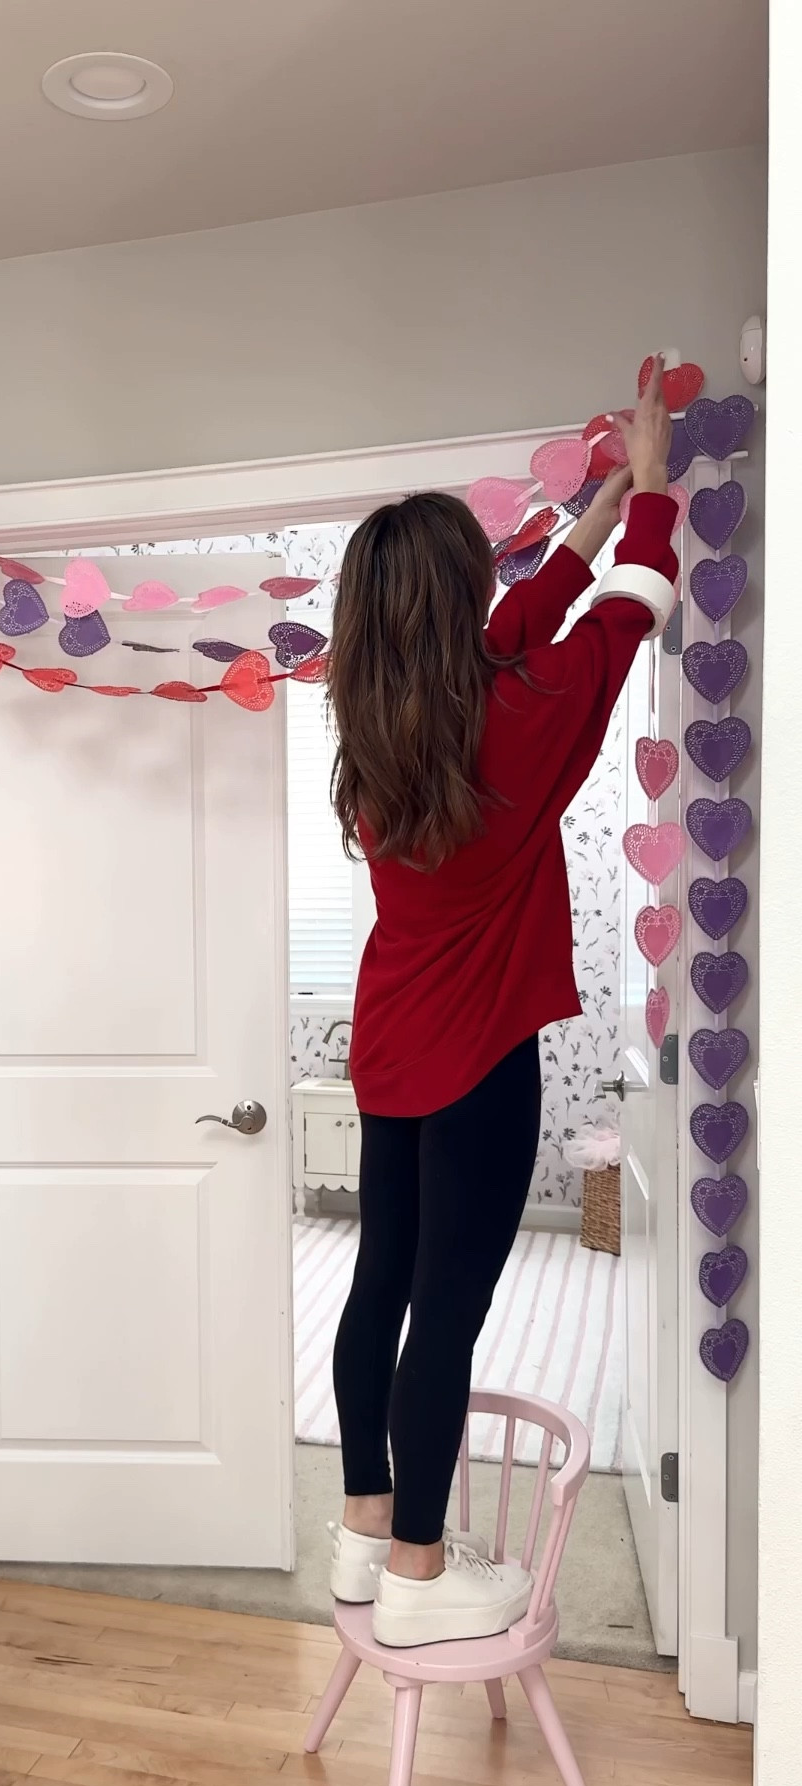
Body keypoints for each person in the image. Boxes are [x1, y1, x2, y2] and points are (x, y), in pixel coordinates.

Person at [326, 360, 677, 1648]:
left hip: (389, 1047)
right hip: (475, 1061)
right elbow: (622, 614)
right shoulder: (515, 724)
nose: (496, 595)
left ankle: (365, 1532)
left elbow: (535, 615)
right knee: (451, 1316)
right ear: (450, 605)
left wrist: (588, 508)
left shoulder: (382, 726)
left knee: (380, 1289)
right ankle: (423, 1573)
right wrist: (647, 492)